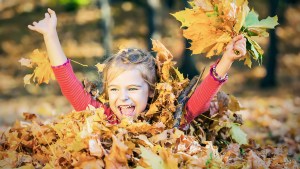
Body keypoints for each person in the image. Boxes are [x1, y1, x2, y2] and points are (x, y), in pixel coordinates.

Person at [28, 8, 246, 125]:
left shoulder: (169, 119)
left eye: (132, 89)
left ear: (151, 90)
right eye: (114, 89)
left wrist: (226, 60)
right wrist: (50, 36)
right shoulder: (106, 118)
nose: (122, 97)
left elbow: (199, 100)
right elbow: (70, 85)